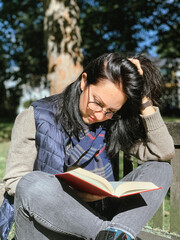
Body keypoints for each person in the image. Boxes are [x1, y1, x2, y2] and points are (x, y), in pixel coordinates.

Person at [1, 53, 175, 240]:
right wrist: (68, 193)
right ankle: (109, 234)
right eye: (97, 103)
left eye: (111, 111)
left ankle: (116, 233)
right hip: (47, 224)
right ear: (84, 81)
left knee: (160, 169)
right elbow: (14, 182)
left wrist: (143, 100)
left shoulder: (112, 124)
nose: (100, 115)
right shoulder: (36, 117)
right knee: (32, 184)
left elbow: (163, 152)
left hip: (98, 213)